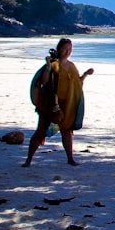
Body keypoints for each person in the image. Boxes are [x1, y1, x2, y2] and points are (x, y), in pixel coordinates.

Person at [23, 38, 94, 166]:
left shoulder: (71, 66)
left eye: (70, 49)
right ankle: (28, 160)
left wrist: (85, 75)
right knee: (40, 131)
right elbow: (43, 82)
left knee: (66, 131)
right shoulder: (53, 64)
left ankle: (70, 159)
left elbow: (77, 84)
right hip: (51, 105)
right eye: (65, 49)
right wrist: (48, 67)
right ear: (59, 49)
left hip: (67, 105)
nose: (68, 52)